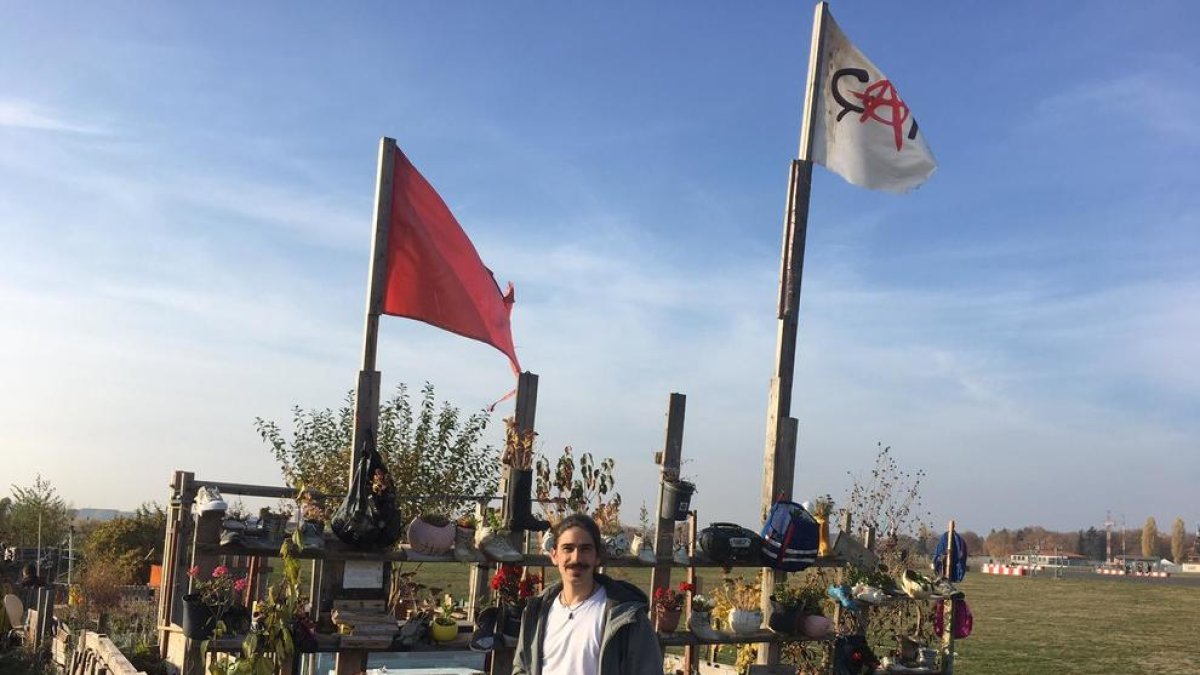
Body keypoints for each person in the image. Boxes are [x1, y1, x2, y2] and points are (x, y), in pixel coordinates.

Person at [512, 513, 662, 675]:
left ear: (597, 556)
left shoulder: (626, 616)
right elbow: (522, 667)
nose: (576, 558)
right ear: (554, 555)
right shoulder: (537, 612)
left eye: (585, 549)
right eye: (568, 548)